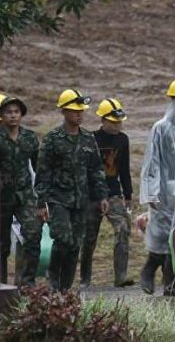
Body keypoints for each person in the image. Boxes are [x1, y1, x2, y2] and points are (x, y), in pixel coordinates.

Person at [35, 89, 109, 292]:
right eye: (75, 111)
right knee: (63, 240)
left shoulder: (87, 138)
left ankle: (65, 289)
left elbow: (96, 169)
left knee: (75, 245)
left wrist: (102, 195)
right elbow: (43, 172)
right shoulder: (52, 139)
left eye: (81, 111)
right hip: (58, 200)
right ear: (64, 112)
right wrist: (41, 202)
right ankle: (53, 278)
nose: (79, 114)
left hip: (81, 201)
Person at [139, 78, 175, 296]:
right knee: (163, 236)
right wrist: (151, 192)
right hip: (164, 191)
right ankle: (149, 270)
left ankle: (171, 282)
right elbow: (152, 161)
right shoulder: (161, 128)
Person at [79, 98, 134, 289]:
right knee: (89, 238)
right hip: (91, 196)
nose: (118, 125)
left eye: (120, 121)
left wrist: (128, 195)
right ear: (102, 120)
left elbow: (125, 169)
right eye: (113, 121)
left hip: (114, 194)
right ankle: (85, 278)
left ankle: (121, 276)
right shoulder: (90, 138)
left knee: (123, 230)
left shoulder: (123, 139)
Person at [0, 95, 40, 286]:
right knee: (2, 245)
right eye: (8, 112)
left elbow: (38, 167)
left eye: (16, 112)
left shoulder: (29, 138)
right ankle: (1, 286)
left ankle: (27, 283)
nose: (13, 116)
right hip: (2, 197)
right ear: (2, 115)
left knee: (33, 234)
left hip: (25, 196)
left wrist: (42, 197)